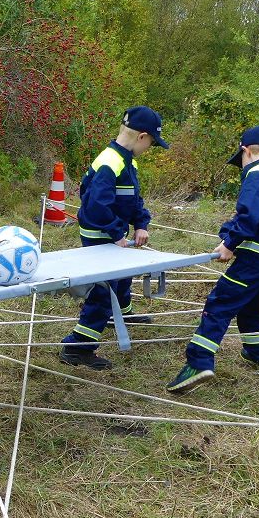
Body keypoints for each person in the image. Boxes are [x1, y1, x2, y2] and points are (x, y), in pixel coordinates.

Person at [166, 125, 259, 394]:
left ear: (246, 151)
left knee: (221, 302)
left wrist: (230, 243)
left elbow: (252, 215)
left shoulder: (256, 172)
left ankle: (199, 362)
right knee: (252, 304)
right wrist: (228, 232)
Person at [59, 106, 168, 370]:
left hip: (114, 234)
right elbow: (96, 207)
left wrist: (140, 224)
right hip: (99, 236)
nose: (150, 148)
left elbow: (133, 199)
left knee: (123, 274)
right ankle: (77, 347)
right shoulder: (110, 163)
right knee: (103, 290)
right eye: (152, 143)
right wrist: (117, 233)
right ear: (142, 137)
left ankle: (122, 313)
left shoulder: (127, 161)